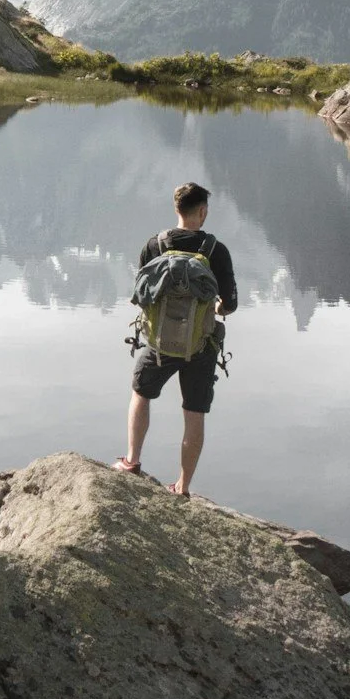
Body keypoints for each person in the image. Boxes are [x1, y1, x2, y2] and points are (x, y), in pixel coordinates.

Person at [115, 181, 237, 497]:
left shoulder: (154, 246)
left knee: (140, 392)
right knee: (194, 413)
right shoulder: (216, 251)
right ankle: (182, 487)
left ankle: (132, 461)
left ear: (176, 210)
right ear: (203, 212)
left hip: (158, 345)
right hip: (200, 345)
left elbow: (141, 294)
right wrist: (217, 307)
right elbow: (231, 304)